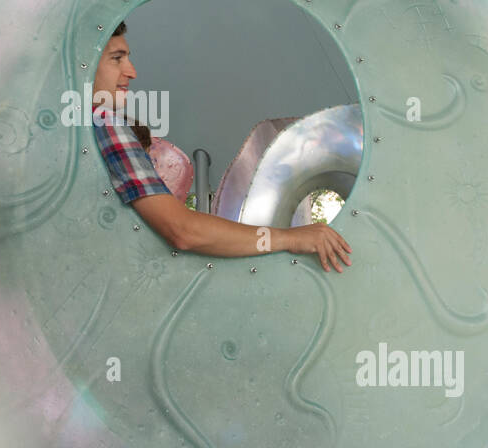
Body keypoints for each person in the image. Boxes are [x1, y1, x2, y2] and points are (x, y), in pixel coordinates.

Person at [91, 21, 352, 273]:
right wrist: (290, 239)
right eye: (117, 58)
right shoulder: (105, 121)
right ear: (87, 64)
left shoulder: (83, 125)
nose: (132, 71)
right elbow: (182, 230)